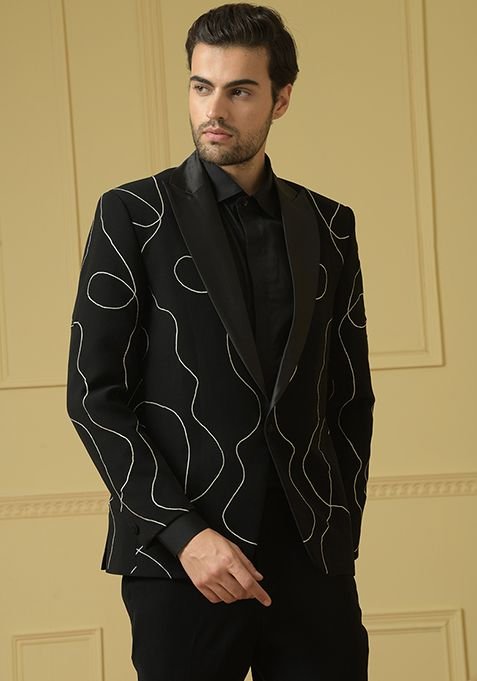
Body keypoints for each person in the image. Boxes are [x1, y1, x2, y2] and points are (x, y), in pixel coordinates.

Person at [66, 3, 375, 680]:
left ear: (280, 99)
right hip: (183, 561)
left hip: (310, 563)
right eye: (201, 86)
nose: (214, 109)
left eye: (239, 90)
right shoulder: (132, 215)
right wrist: (183, 534)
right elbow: (94, 396)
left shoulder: (330, 225)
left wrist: (338, 527)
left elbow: (349, 394)